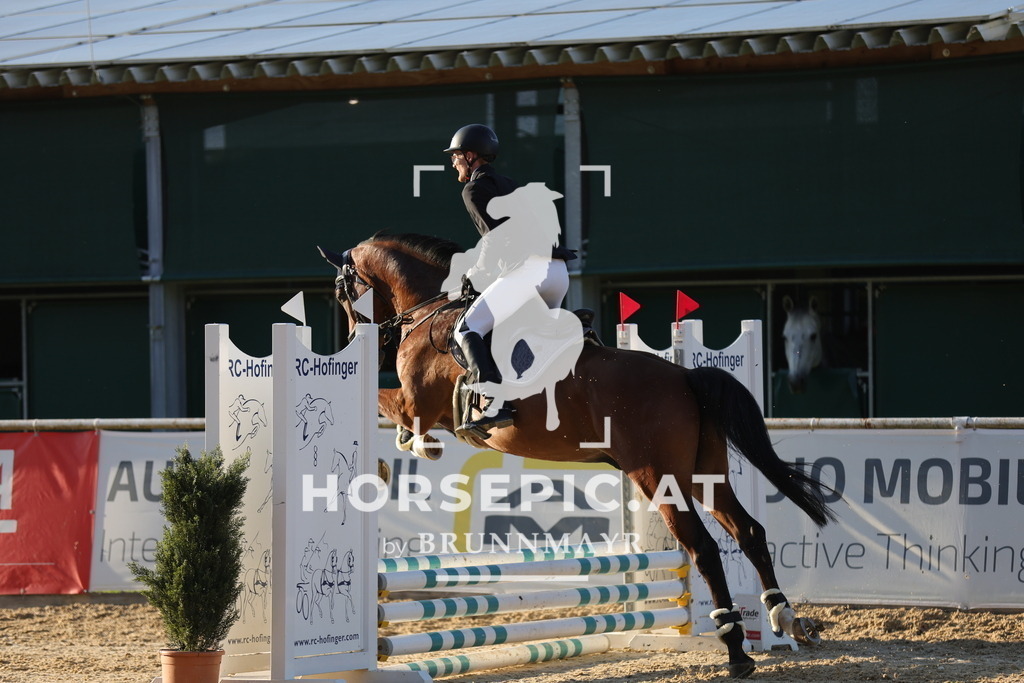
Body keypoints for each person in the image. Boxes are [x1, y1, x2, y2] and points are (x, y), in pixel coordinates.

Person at [443, 124, 574, 437]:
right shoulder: (510, 184)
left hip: (528, 273)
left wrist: (473, 275)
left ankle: (494, 402)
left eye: (456, 156)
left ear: (470, 156)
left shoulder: (473, 189)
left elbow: (495, 240)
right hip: (557, 273)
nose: (453, 162)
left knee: (467, 328)